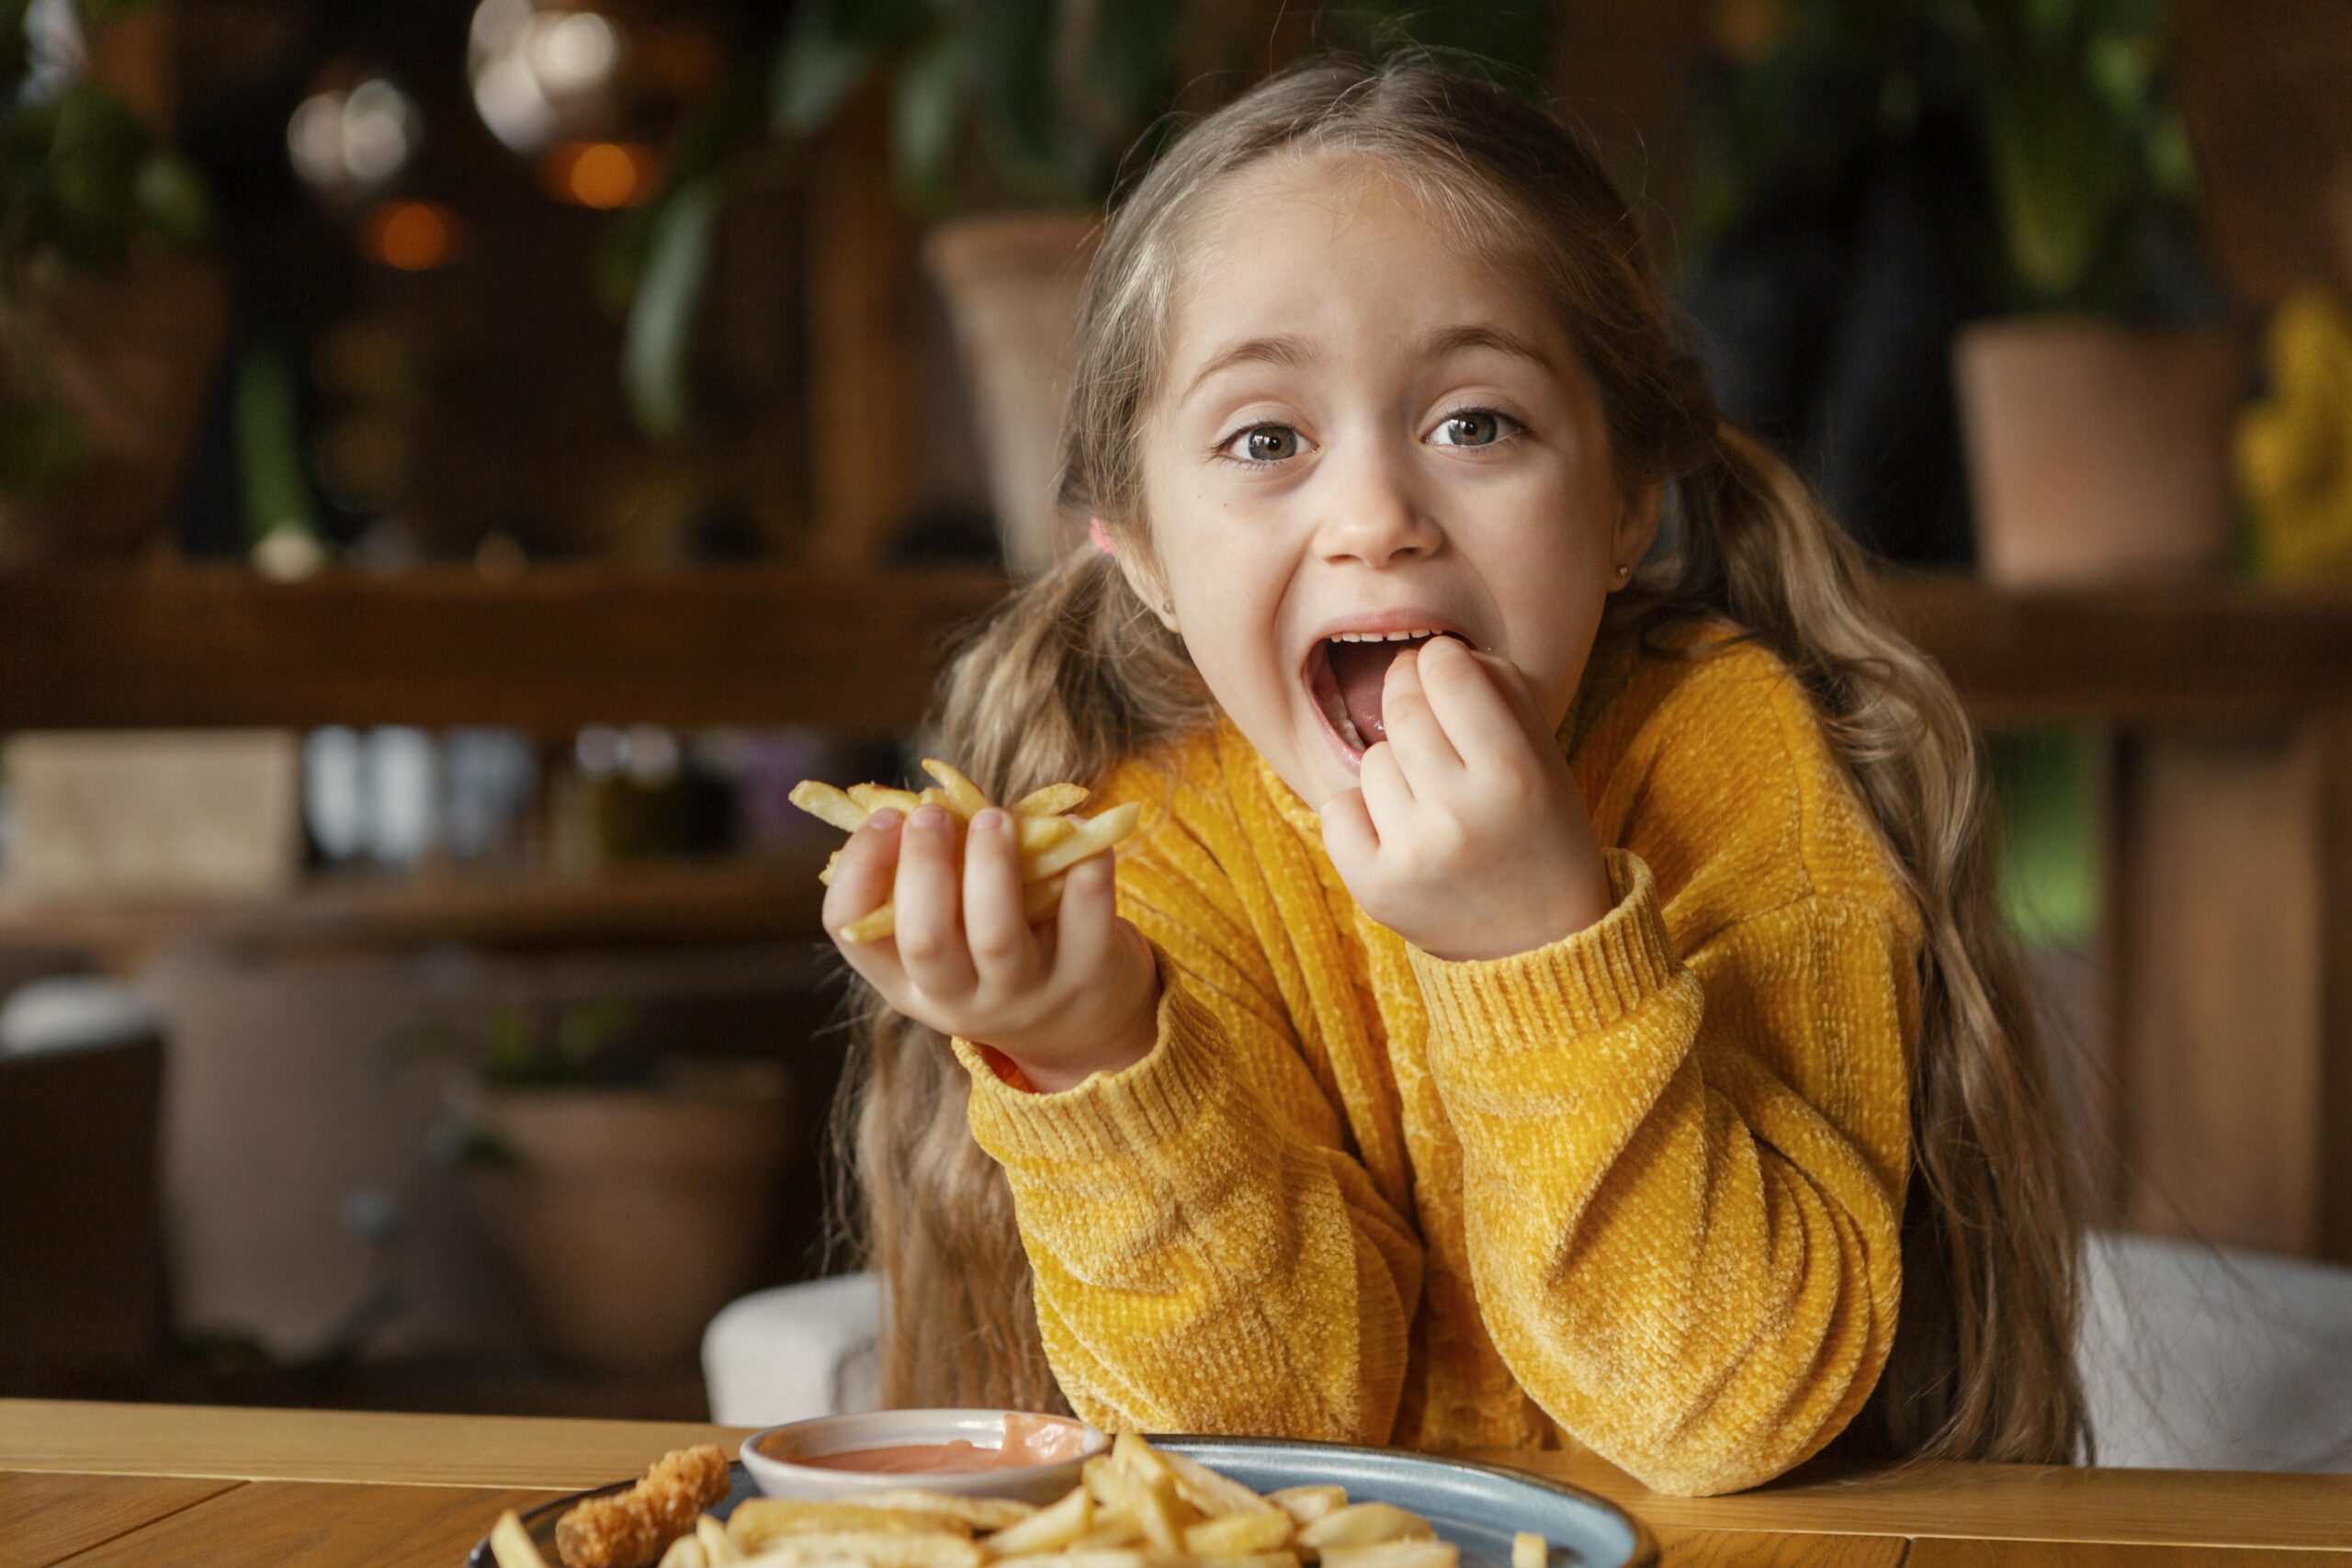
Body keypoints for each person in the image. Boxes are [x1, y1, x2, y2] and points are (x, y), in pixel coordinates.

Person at [819, 56, 2087, 1495]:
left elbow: (1734, 1409)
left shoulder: (1730, 761)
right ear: (1147, 559)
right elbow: (1261, 1448)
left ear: (1624, 508)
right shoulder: (1150, 848)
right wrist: (1096, 1051)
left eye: (1474, 424)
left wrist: (1537, 946)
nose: (1376, 516)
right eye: (1265, 439)